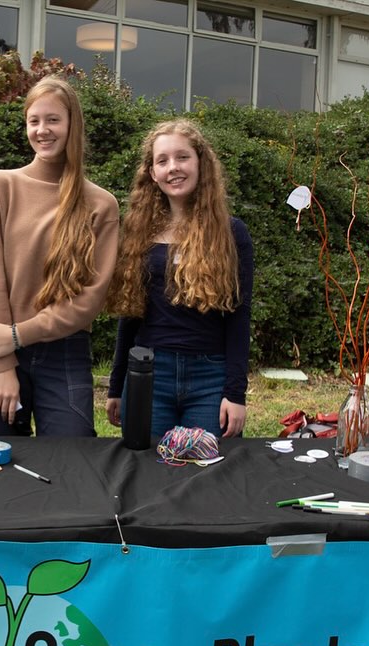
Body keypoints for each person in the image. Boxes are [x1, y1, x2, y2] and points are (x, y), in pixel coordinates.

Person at [0, 76, 119, 437]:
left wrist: (20, 335)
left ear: (72, 124)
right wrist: (4, 364)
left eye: (53, 120)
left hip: (64, 353)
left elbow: (88, 300)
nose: (42, 130)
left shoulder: (101, 204)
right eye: (34, 121)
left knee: (72, 464)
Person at [106, 119, 254, 440]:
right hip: (149, 375)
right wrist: (117, 385)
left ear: (201, 162)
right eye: (163, 160)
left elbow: (239, 317)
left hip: (210, 379)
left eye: (182, 157)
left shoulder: (231, 233)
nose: (173, 167)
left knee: (207, 473)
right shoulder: (138, 234)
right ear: (152, 173)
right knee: (144, 473)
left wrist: (235, 393)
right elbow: (129, 315)